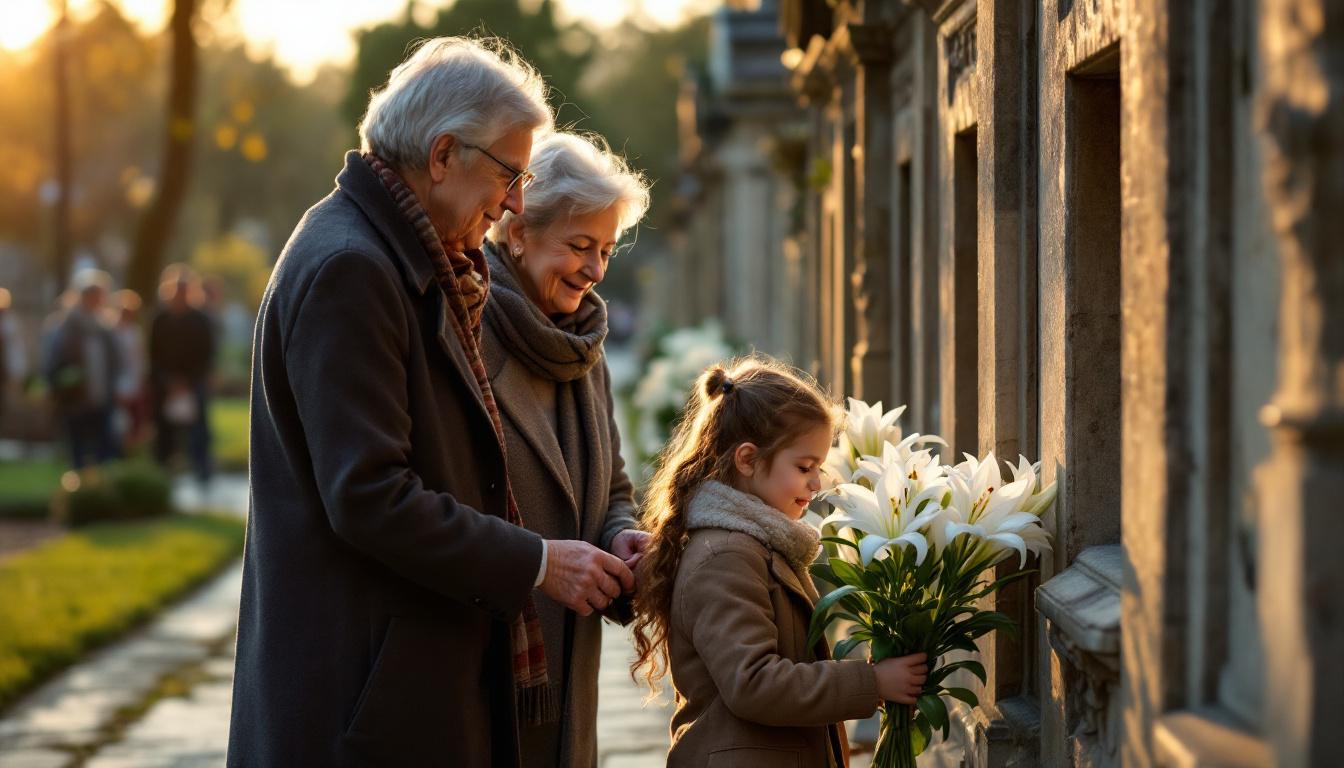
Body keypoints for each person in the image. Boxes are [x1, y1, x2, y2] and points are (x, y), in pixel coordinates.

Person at [227, 37, 634, 767]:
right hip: (363, 703)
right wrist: (537, 563)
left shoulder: (409, 258)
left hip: (398, 692)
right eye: (510, 174)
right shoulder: (353, 268)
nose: (514, 201)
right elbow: (371, 495)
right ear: (443, 155)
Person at [630, 356, 930, 767]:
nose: (816, 483)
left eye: (819, 467)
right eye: (804, 467)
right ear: (748, 460)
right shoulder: (725, 557)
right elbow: (753, 682)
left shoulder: (758, 545)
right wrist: (871, 681)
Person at [481, 132, 651, 766]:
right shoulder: (465, 332)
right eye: (579, 246)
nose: (597, 269)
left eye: (606, 250)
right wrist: (538, 562)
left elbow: (612, 488)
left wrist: (622, 537)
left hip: (568, 678)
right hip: (488, 667)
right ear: (518, 230)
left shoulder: (583, 345)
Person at [43, 269, 121, 469]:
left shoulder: (105, 327)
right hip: (75, 398)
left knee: (103, 448)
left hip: (102, 396)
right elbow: (53, 363)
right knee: (77, 447)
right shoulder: (65, 326)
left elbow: (115, 362)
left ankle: (99, 488)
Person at [148, 265, 215, 485]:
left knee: (199, 428)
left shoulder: (200, 320)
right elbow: (153, 353)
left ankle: (201, 468)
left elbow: (207, 353)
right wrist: (168, 379)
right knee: (164, 427)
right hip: (166, 383)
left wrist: (188, 380)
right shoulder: (160, 320)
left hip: (193, 382)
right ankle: (163, 469)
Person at [110, 289, 148, 451]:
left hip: (133, 381)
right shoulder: (111, 333)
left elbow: (139, 360)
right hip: (116, 382)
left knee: (133, 420)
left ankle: (131, 449)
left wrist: (139, 381)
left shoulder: (135, 332)